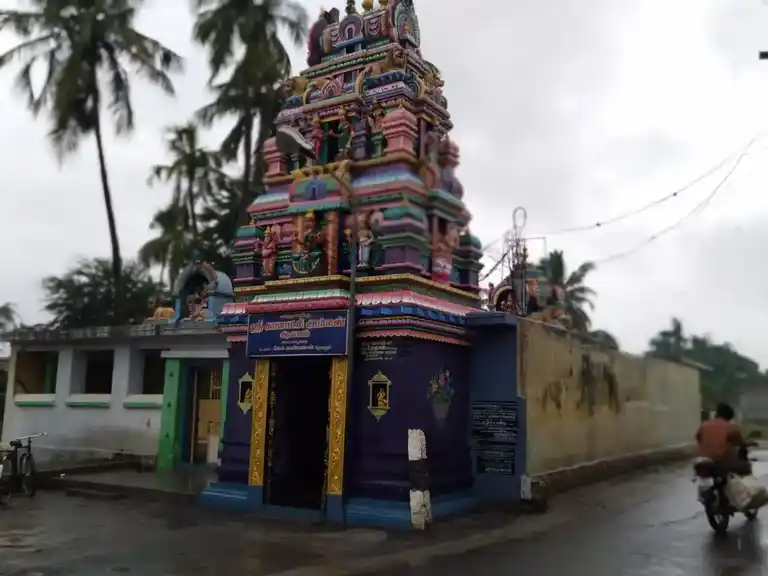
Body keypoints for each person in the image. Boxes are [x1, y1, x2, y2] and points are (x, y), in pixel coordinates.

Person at [696, 402, 751, 476]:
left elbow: (699, 439)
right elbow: (741, 444)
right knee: (746, 467)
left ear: (717, 414)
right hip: (719, 465)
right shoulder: (732, 428)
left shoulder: (704, 425)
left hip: (701, 463)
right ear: (730, 417)